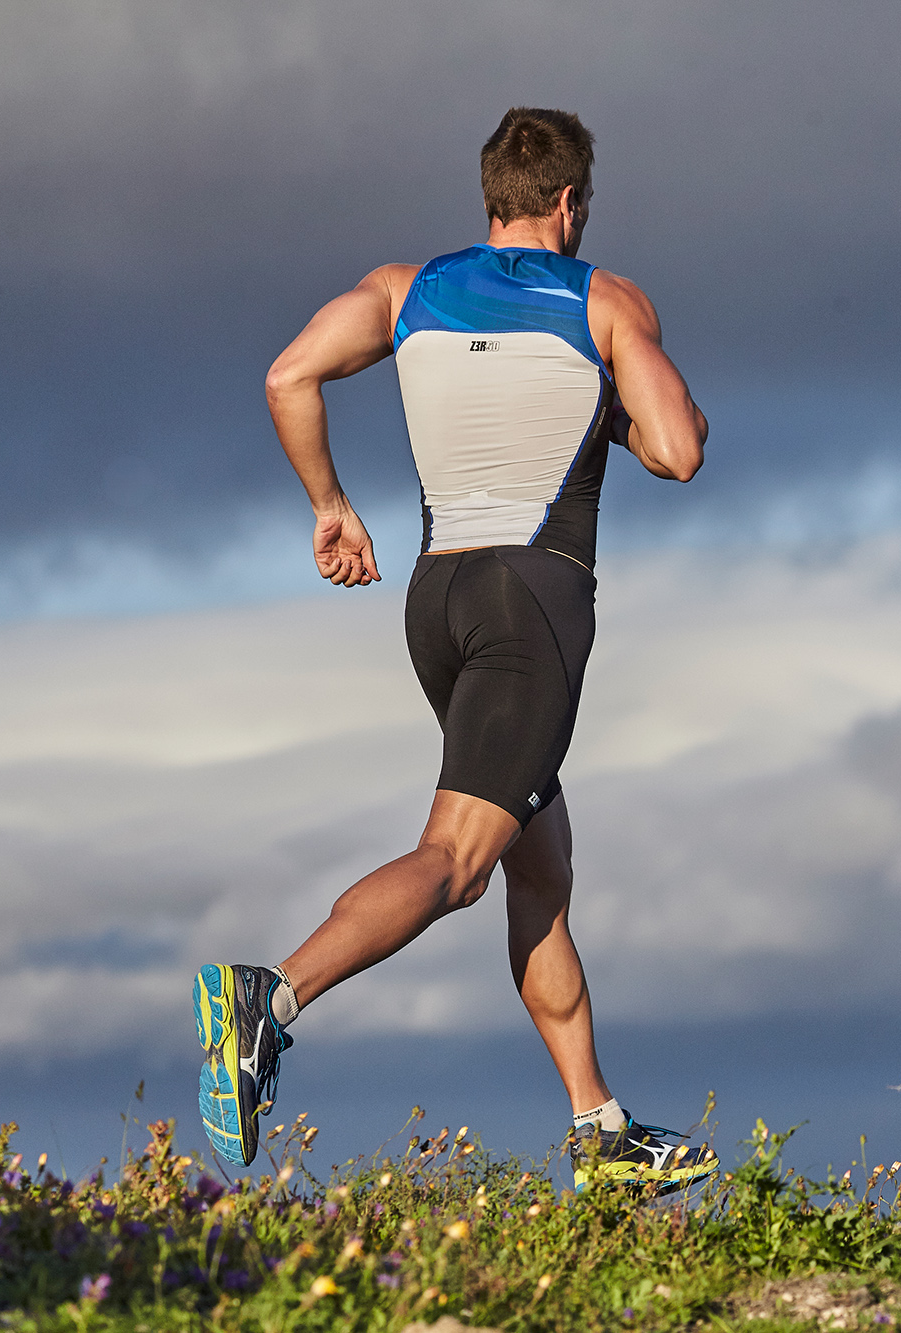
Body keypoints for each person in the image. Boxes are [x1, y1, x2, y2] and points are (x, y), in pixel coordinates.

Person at [191, 107, 713, 1188]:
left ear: (491, 199)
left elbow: (289, 375)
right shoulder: (605, 300)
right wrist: (609, 396)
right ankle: (267, 1000)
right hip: (535, 602)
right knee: (458, 862)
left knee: (539, 858)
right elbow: (676, 451)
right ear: (569, 205)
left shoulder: (402, 289)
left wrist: (332, 506)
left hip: (438, 602)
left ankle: (599, 1125)